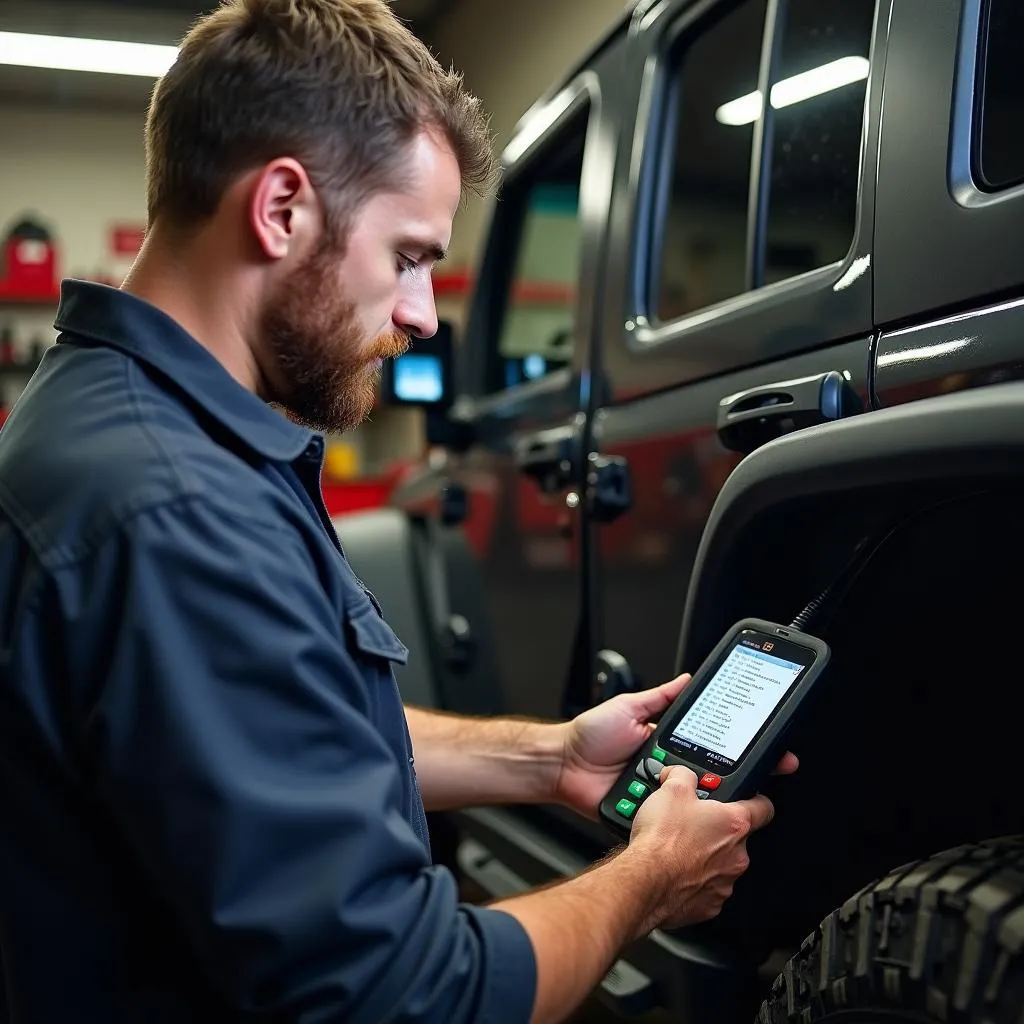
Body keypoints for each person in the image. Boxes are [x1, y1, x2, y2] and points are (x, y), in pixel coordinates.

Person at [0, 1, 797, 1021]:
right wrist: (647, 879)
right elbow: (407, 999)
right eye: (410, 257)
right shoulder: (175, 509)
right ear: (282, 207)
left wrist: (548, 759)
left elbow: (285, 734)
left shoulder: (126, 428)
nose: (423, 314)